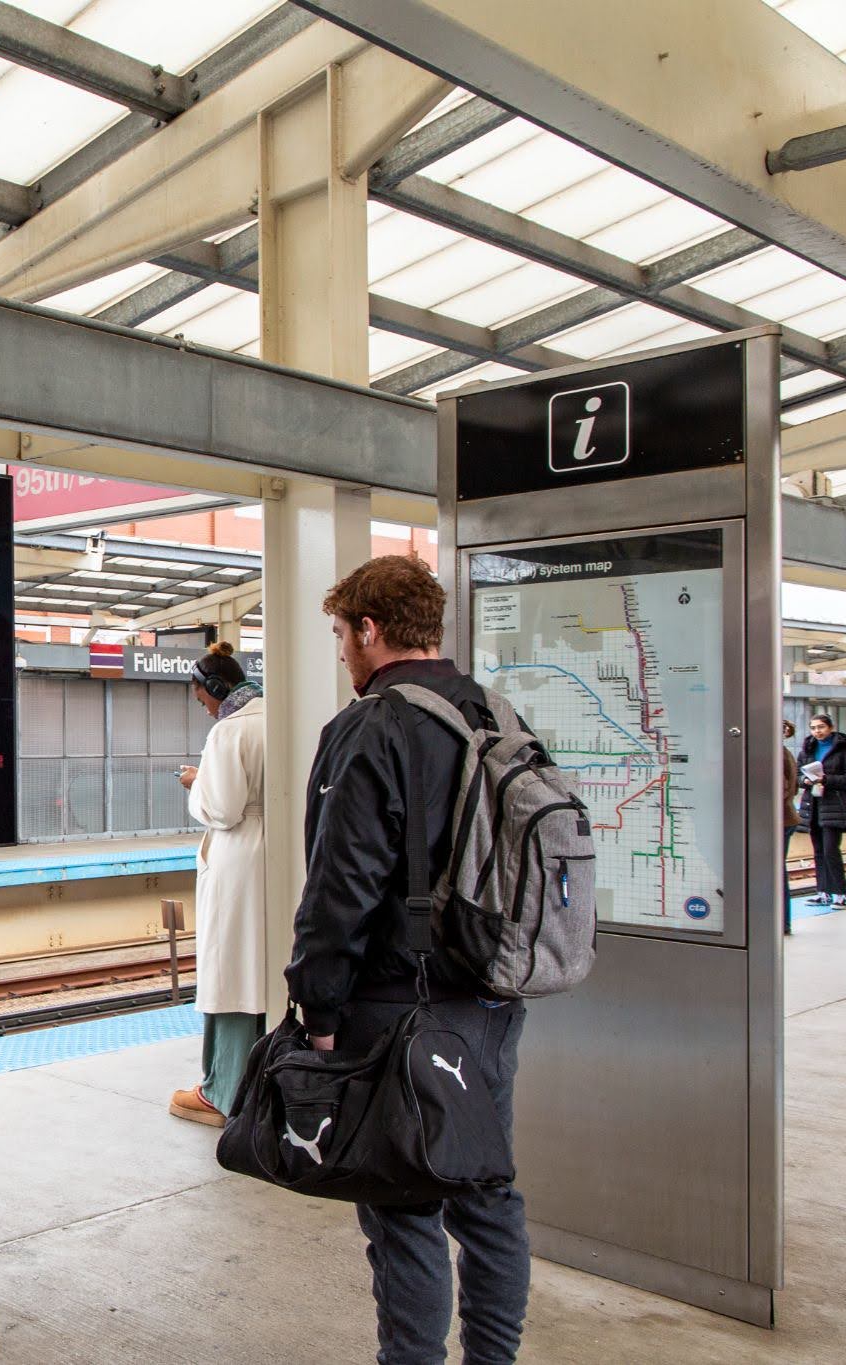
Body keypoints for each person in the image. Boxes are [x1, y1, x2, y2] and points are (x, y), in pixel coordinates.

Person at [285, 555, 530, 1364]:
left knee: (406, 1207)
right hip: (491, 1002)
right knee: (488, 1195)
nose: (342, 653)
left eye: (340, 634)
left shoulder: (370, 727)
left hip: (397, 1009)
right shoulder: (498, 714)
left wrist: (318, 1011)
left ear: (370, 628)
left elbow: (340, 887)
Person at [169, 641, 267, 1126]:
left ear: (214, 687)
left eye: (201, 698)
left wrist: (197, 782)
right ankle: (263, 1086)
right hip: (276, 857)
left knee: (231, 971)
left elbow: (223, 808)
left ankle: (222, 1092)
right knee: (262, 969)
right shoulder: (280, 713)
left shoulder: (230, 731)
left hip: (239, 861)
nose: (203, 708)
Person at [797, 714, 846, 909]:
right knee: (818, 851)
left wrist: (826, 779)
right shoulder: (808, 749)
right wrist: (804, 781)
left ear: (831, 727)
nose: (817, 731)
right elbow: (799, 774)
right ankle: (823, 893)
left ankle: (841, 895)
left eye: (821, 727)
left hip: (834, 805)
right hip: (813, 805)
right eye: (814, 728)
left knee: (831, 850)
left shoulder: (844, 750)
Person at [782, 721, 801, 934]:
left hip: (778, 821)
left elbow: (783, 789)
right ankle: (782, 921)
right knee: (777, 872)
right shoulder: (785, 753)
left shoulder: (775, 755)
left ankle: (781, 921)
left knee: (773, 873)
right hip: (786, 818)